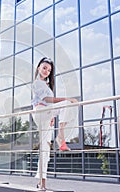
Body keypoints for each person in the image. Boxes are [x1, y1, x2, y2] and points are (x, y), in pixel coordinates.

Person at [32, 57, 78, 190]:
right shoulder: (36, 83)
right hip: (40, 112)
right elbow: (47, 99)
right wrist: (65, 98)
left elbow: (47, 101)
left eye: (49, 70)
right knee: (67, 102)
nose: (46, 71)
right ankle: (61, 136)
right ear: (38, 68)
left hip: (46, 113)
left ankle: (42, 182)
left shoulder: (46, 85)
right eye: (44, 68)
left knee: (45, 148)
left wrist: (52, 114)